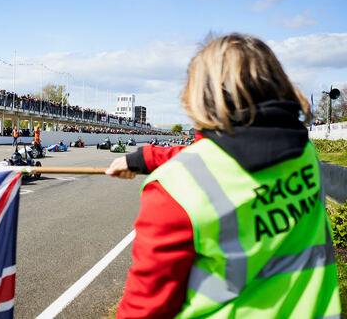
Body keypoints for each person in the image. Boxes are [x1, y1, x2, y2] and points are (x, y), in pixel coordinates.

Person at [106, 34, 340, 318]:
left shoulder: (174, 189)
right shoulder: (305, 152)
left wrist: (148, 160)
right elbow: (225, 150)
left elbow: (144, 308)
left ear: (202, 94)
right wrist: (144, 158)